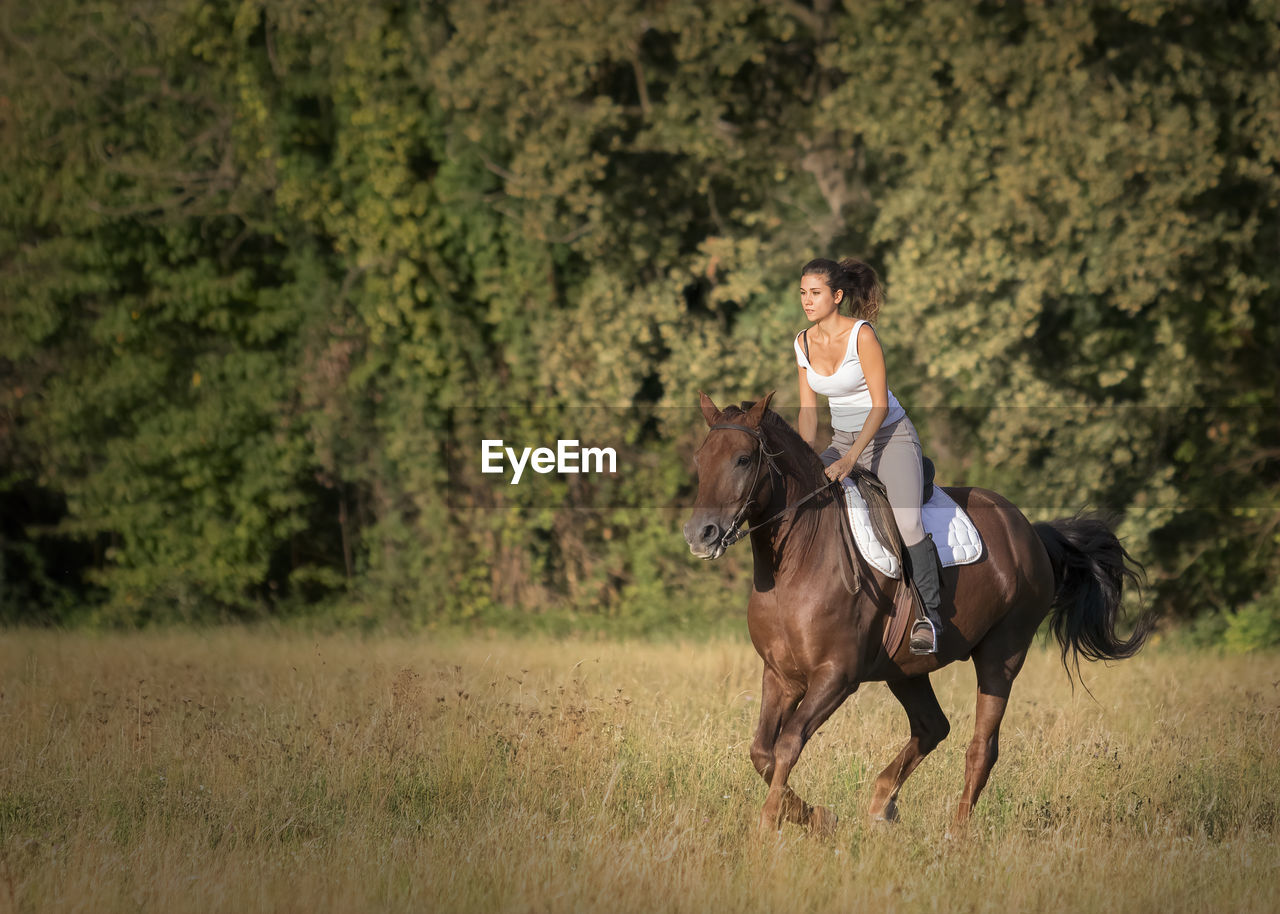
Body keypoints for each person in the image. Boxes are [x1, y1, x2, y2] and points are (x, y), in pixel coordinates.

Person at [793, 257, 942, 654]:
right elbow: (809, 413)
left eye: (816, 293)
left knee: (908, 523)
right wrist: (802, 458)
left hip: (889, 436)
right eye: (803, 293)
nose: (808, 301)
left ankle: (930, 617)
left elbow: (879, 406)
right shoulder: (802, 342)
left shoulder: (863, 336)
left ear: (837, 296)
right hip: (842, 439)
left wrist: (848, 461)